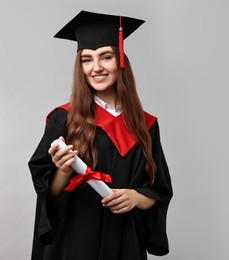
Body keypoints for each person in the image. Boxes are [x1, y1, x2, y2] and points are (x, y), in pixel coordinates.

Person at [28, 10, 173, 260]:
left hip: (123, 243)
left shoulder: (146, 125)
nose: (96, 68)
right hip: (73, 243)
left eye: (105, 57)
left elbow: (160, 192)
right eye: (86, 59)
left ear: (120, 61)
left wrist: (136, 197)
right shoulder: (63, 119)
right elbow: (47, 195)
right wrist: (62, 171)